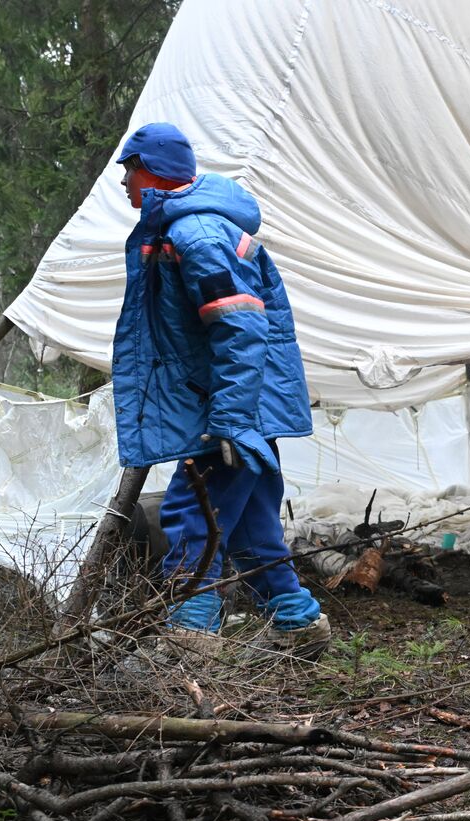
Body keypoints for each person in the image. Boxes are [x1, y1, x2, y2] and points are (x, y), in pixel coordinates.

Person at [111, 122, 328, 657]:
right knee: (253, 523)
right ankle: (298, 624)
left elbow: (241, 326)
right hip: (233, 404)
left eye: (128, 170)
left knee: (193, 512)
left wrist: (230, 419)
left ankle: (189, 635)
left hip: (228, 409)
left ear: (151, 170)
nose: (124, 184)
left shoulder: (198, 234)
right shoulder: (182, 231)